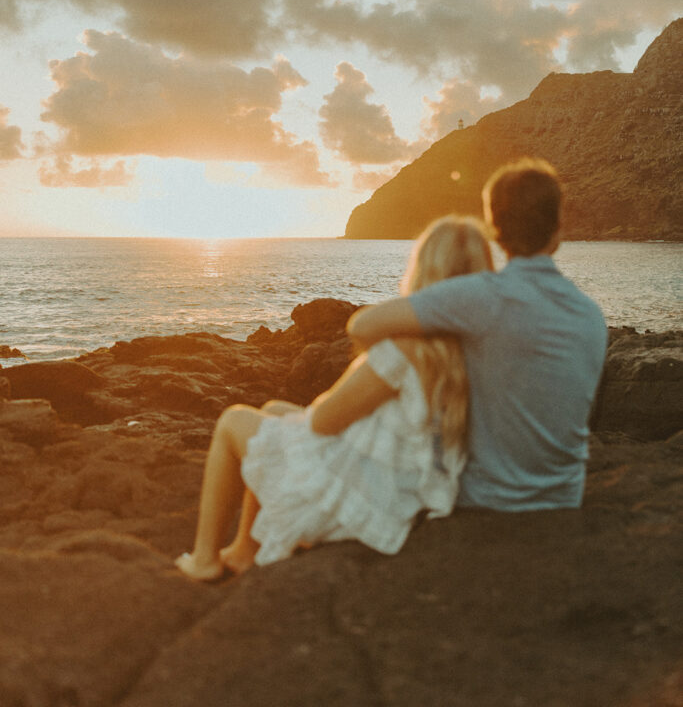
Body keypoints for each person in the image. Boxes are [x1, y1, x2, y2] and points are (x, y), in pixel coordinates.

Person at [176, 216, 493, 581]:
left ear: (424, 273)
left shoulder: (406, 347)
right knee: (274, 411)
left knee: (234, 420)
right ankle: (246, 549)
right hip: (412, 483)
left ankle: (204, 561)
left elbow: (323, 421)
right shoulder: (480, 348)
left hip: (377, 496)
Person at [347, 158, 608, 511]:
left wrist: (429, 361)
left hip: (486, 501)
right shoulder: (590, 314)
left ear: (495, 227)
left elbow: (363, 326)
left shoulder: (481, 296)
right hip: (564, 498)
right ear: (559, 224)